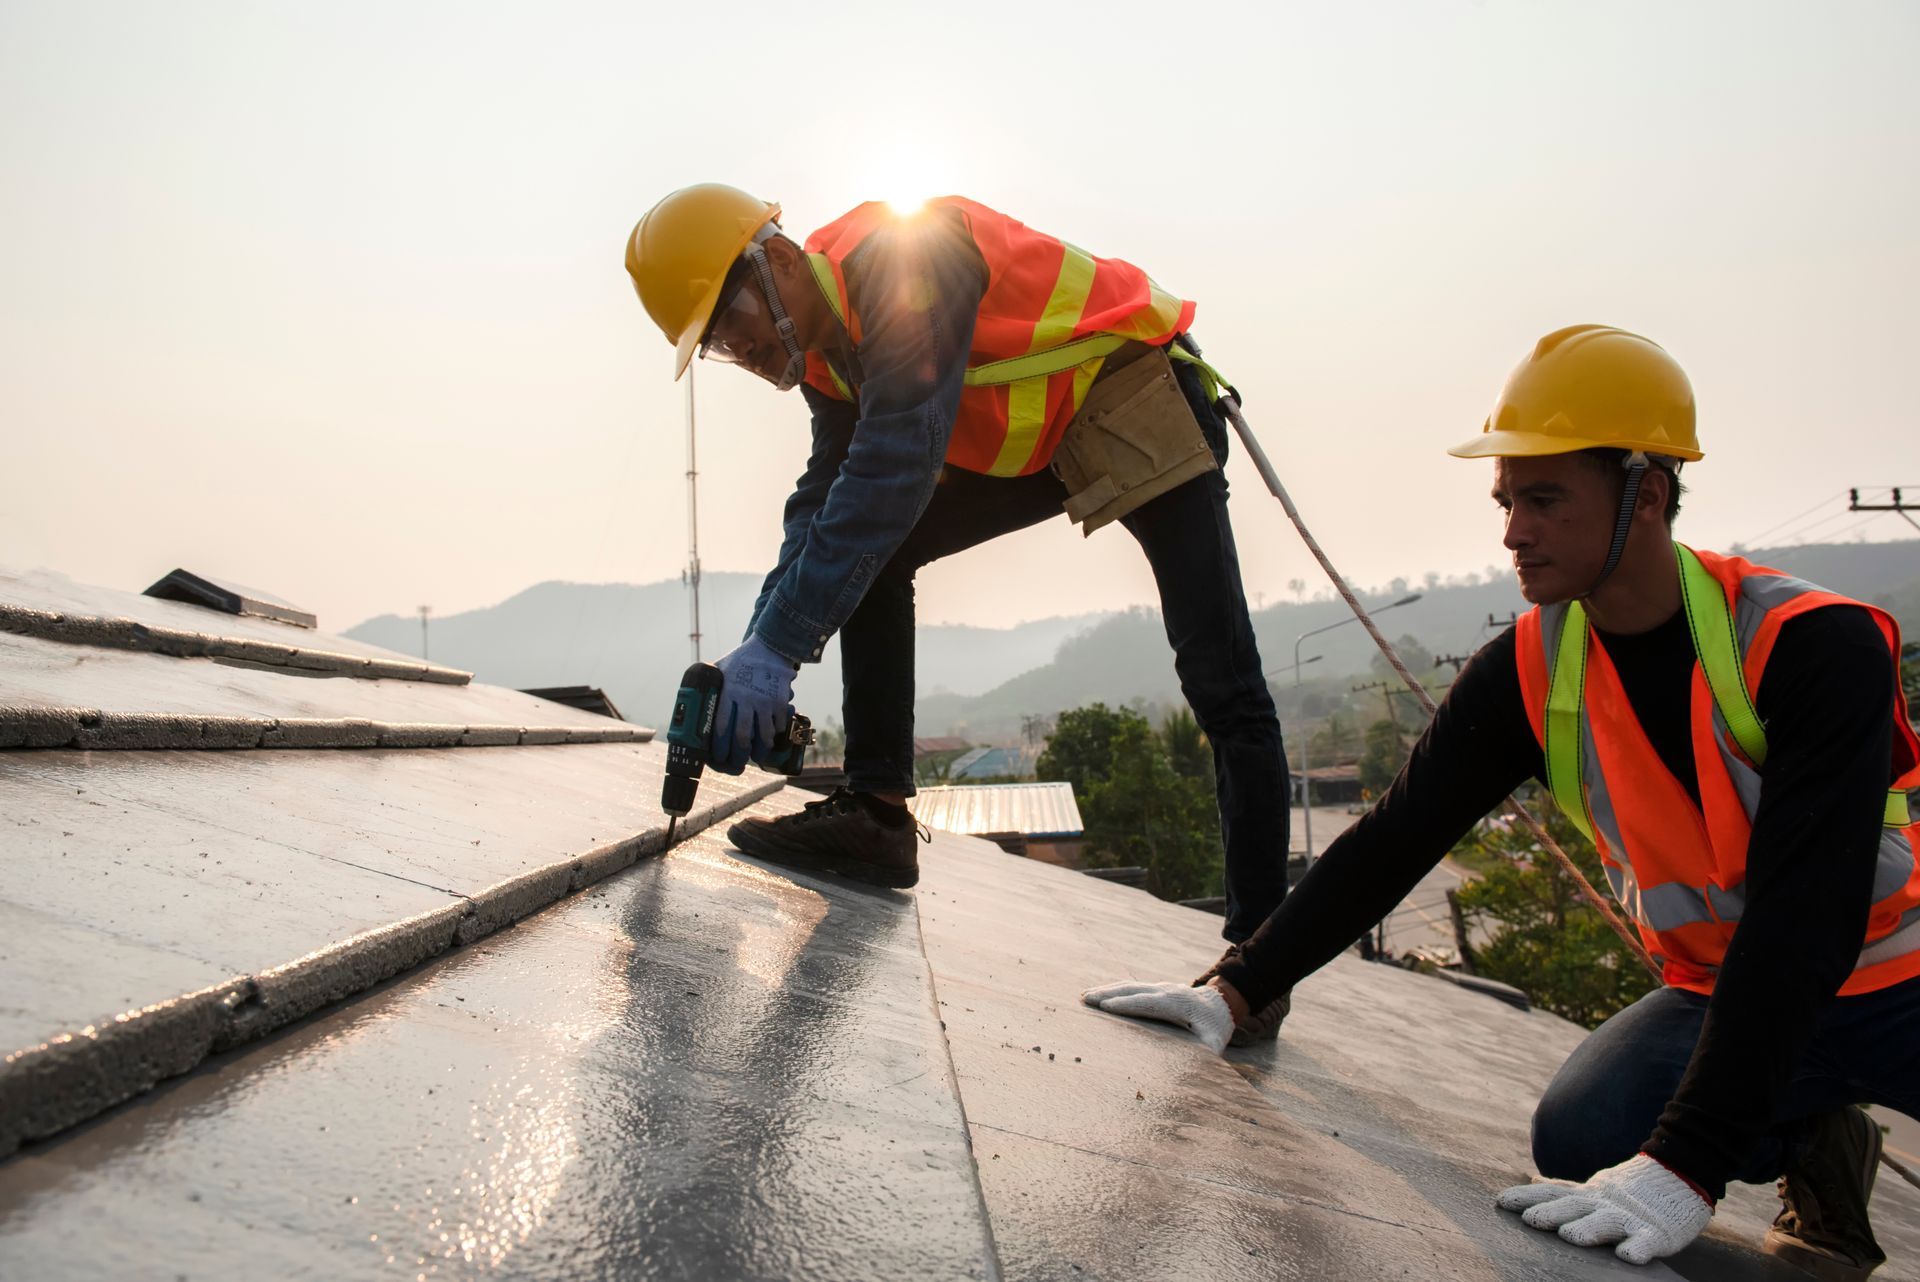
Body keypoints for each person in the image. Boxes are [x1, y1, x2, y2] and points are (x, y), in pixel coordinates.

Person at [1084, 325, 1920, 1276]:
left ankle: (1776, 1110)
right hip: (1725, 995)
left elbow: (1805, 917)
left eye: (1545, 500)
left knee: (1664, 1141)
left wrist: (1687, 1166)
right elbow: (1398, 835)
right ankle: (1815, 1141)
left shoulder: (1813, 644)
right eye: (1508, 500)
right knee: (1585, 1138)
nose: (1514, 531)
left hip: (1896, 984)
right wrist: (1238, 987)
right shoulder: (1532, 665)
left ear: (1645, 495)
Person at [624, 185, 1292, 1035]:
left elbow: (897, 462)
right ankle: (876, 818)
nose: (737, 348)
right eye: (715, 344)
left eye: (730, 321)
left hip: (1133, 390)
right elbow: (826, 499)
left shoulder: (910, 260)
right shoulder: (822, 352)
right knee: (873, 546)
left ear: (780, 262)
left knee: (1221, 679)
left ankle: (1256, 969)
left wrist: (782, 649)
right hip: (1052, 432)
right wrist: (758, 646)